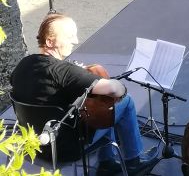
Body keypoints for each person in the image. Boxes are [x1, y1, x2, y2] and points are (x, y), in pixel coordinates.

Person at [11, 14, 159, 176]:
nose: (75, 41)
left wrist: (78, 77)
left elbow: (46, 89)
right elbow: (113, 89)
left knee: (100, 107)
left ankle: (108, 162)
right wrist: (121, 88)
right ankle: (133, 162)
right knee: (125, 103)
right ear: (50, 42)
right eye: (69, 37)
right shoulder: (63, 72)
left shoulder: (23, 65)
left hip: (34, 145)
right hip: (68, 148)